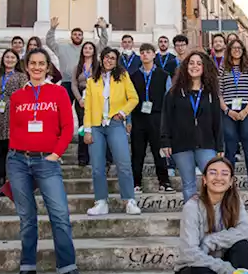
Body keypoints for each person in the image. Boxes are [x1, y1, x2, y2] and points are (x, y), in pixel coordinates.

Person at [6, 48, 92, 274]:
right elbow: (14, 129)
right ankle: (27, 268)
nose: (36, 67)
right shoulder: (17, 97)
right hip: (18, 161)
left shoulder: (58, 93)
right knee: (26, 217)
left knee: (60, 215)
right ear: (26, 66)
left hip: (47, 160)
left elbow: (67, 128)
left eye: (41, 63)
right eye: (32, 63)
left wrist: (55, 154)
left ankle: (67, 269)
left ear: (47, 67)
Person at [84, 47, 141, 215]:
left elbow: (134, 98)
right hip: (95, 126)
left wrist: (122, 113)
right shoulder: (91, 81)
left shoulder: (122, 77)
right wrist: (87, 130)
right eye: (107, 57)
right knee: (97, 166)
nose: (109, 60)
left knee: (123, 163)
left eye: (113, 58)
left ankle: (129, 200)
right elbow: (88, 107)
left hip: (115, 124)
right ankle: (101, 201)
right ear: (101, 59)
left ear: (117, 61)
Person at [161, 51, 224, 201]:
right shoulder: (174, 93)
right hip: (181, 144)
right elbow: (166, 118)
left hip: (206, 143)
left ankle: (213, 218)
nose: (194, 66)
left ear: (204, 68)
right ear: (185, 66)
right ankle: (192, 219)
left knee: (213, 180)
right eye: (191, 63)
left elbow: (217, 121)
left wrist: (220, 146)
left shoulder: (211, 93)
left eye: (199, 63)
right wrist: (165, 141)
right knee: (188, 184)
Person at [131, 43, 174, 192]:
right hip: (138, 118)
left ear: (154, 55)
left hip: (157, 117)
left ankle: (164, 182)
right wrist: (129, 120)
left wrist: (167, 121)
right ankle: (136, 183)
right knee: (137, 152)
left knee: (159, 151)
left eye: (148, 52)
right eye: (142, 52)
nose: (145, 55)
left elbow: (168, 99)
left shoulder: (163, 75)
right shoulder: (134, 76)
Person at [219, 39, 248, 192]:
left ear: (243, 50)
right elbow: (219, 92)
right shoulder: (223, 68)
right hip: (228, 109)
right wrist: (228, 111)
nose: (236, 50)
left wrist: (246, 110)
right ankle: (229, 181)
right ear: (229, 51)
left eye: (239, 48)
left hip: (246, 109)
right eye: (233, 48)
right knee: (230, 143)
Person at [0, 49, 26, 197]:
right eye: (7, 57)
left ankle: (15, 185)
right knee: (0, 152)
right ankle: (1, 185)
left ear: (17, 60)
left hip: (14, 116)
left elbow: (24, 95)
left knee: (13, 153)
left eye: (12, 57)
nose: (9, 59)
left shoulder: (21, 76)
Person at [70, 40, 98, 167]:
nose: (87, 50)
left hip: (95, 98)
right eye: (85, 48)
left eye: (90, 48)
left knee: (96, 127)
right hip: (81, 97)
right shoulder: (78, 67)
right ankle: (83, 157)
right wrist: (79, 99)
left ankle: (97, 156)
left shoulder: (98, 66)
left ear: (94, 51)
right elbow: (74, 84)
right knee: (82, 128)